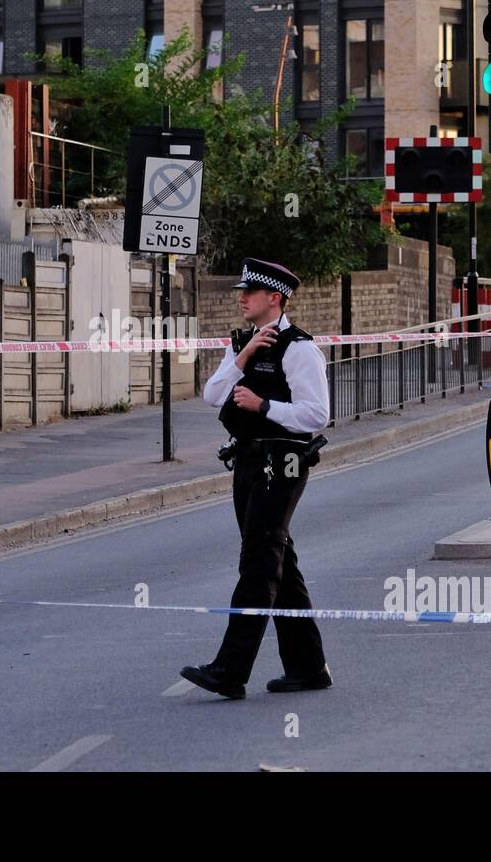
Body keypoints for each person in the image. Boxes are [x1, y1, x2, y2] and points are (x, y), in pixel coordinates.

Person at [180, 258, 331, 700]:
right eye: (241, 292)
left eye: (251, 292)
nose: (242, 298)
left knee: (259, 560)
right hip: (247, 460)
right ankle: (307, 666)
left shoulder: (299, 349)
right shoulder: (242, 343)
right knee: (278, 561)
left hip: (282, 461)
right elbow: (212, 395)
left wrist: (264, 406)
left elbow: (317, 414)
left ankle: (230, 668)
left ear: (275, 299)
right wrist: (242, 358)